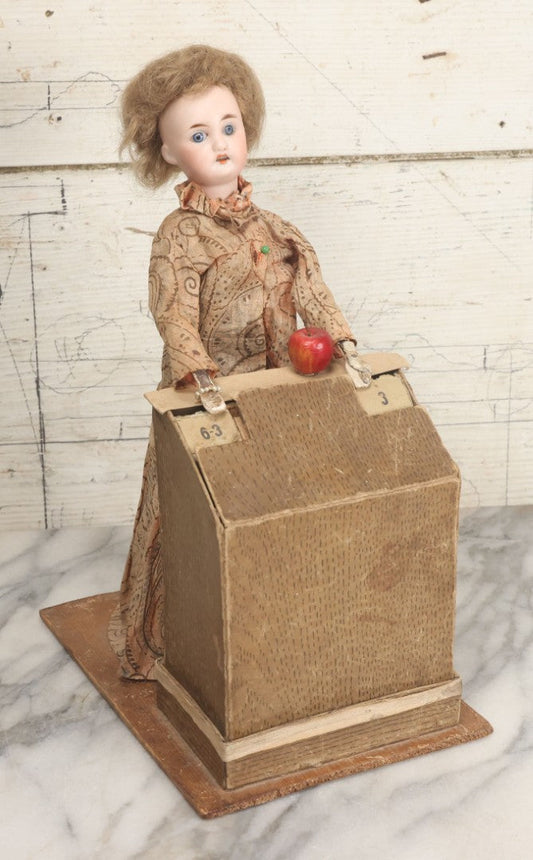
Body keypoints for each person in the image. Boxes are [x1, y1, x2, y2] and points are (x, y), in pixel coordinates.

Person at [109, 44, 370, 679]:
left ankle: (271, 633)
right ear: (169, 151)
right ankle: (162, 642)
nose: (220, 144)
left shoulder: (275, 229)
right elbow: (172, 311)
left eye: (229, 127)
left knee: (277, 506)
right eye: (199, 135)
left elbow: (311, 291)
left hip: (282, 394)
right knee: (185, 514)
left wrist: (343, 343)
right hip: (209, 398)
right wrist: (200, 378)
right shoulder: (180, 235)